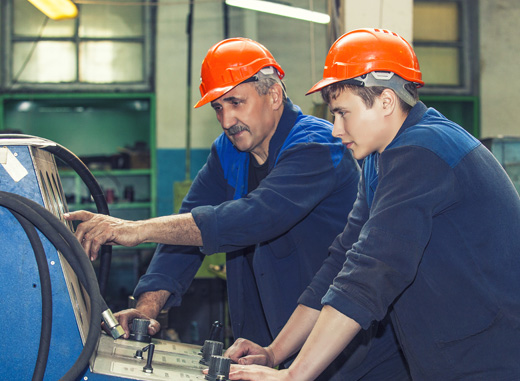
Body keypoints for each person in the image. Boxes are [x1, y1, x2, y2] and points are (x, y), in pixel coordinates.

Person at [226, 28, 520, 380]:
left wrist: (294, 376)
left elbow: (369, 274)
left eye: (343, 113)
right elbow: (343, 263)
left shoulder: (423, 152)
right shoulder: (379, 162)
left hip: (513, 367)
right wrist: (275, 353)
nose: (335, 129)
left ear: (386, 102)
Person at [64, 37, 409, 379]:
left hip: (347, 353)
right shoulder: (228, 152)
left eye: (235, 102)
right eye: (217, 107)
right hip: (266, 349)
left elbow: (255, 217)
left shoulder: (318, 146)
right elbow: (189, 225)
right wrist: (147, 307)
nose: (226, 120)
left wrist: (134, 230)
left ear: (273, 95)